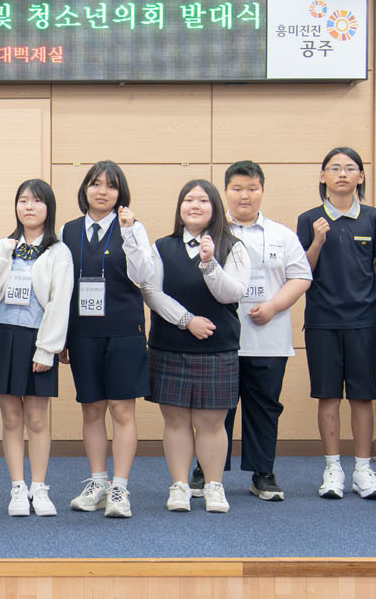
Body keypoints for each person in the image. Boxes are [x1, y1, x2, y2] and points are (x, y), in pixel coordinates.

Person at [191, 162, 313, 502]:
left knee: (264, 408)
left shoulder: (281, 234)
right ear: (225, 192)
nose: (244, 195)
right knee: (214, 410)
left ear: (262, 191)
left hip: (268, 339)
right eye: (237, 189)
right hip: (219, 340)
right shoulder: (210, 234)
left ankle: (263, 473)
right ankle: (206, 470)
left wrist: (273, 306)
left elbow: (301, 277)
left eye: (252, 189)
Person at [132, 179, 250, 513]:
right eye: (188, 200)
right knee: (176, 421)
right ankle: (180, 485)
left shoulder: (233, 246)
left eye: (202, 200)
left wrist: (210, 264)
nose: (195, 205)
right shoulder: (162, 246)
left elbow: (232, 293)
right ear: (180, 208)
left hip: (217, 347)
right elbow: (150, 291)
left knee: (211, 422)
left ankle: (213, 486)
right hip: (169, 345)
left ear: (215, 207)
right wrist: (187, 320)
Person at [57, 161, 154, 519]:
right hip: (83, 332)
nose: (102, 191)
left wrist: (129, 234)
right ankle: (98, 483)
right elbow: (62, 287)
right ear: (85, 189)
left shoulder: (133, 227)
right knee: (92, 408)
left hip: (124, 330)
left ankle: (120, 488)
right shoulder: (68, 230)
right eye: (95, 184)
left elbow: (144, 275)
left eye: (111, 186)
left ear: (120, 193)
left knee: (122, 409)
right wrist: (61, 335)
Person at [296, 147, 376, 500]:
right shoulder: (309, 219)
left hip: (362, 322)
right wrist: (318, 241)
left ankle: (363, 470)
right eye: (334, 168)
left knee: (363, 397)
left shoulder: (375, 219)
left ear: (360, 177)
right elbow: (301, 272)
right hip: (322, 321)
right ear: (322, 176)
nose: (342, 174)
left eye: (350, 168)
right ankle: (332, 468)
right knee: (329, 396)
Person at [0, 179, 74, 517]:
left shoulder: (58, 252)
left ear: (49, 207)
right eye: (23, 200)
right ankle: (17, 487)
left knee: (36, 418)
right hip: (3, 335)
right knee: (11, 418)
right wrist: (3, 253)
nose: (29, 206)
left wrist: (47, 350)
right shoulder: (3, 246)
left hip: (37, 339)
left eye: (36, 201)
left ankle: (39, 487)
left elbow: (60, 303)